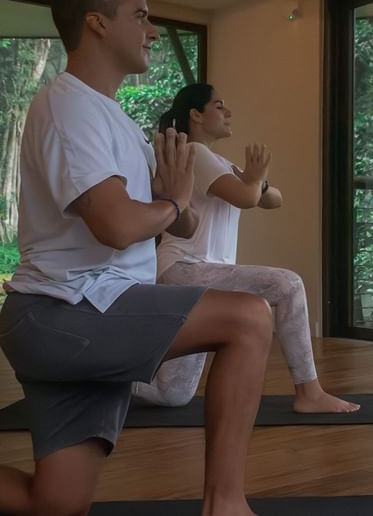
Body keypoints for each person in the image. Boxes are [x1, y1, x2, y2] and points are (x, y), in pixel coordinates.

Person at [0, 0, 272, 514]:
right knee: (249, 319)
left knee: (55, 503)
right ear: (97, 22)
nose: (152, 30)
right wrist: (170, 205)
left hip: (80, 311)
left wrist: (175, 200)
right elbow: (119, 225)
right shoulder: (68, 106)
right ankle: (226, 503)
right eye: (141, 15)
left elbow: (181, 225)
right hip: (67, 311)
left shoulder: (117, 118)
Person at [131, 83, 359, 414]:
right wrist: (255, 180)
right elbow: (246, 198)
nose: (229, 113)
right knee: (287, 284)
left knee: (172, 394)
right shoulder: (197, 153)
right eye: (219, 106)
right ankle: (309, 392)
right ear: (196, 115)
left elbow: (272, 199)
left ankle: (98, 380)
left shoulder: (218, 160)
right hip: (186, 268)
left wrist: (257, 180)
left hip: (199, 274)